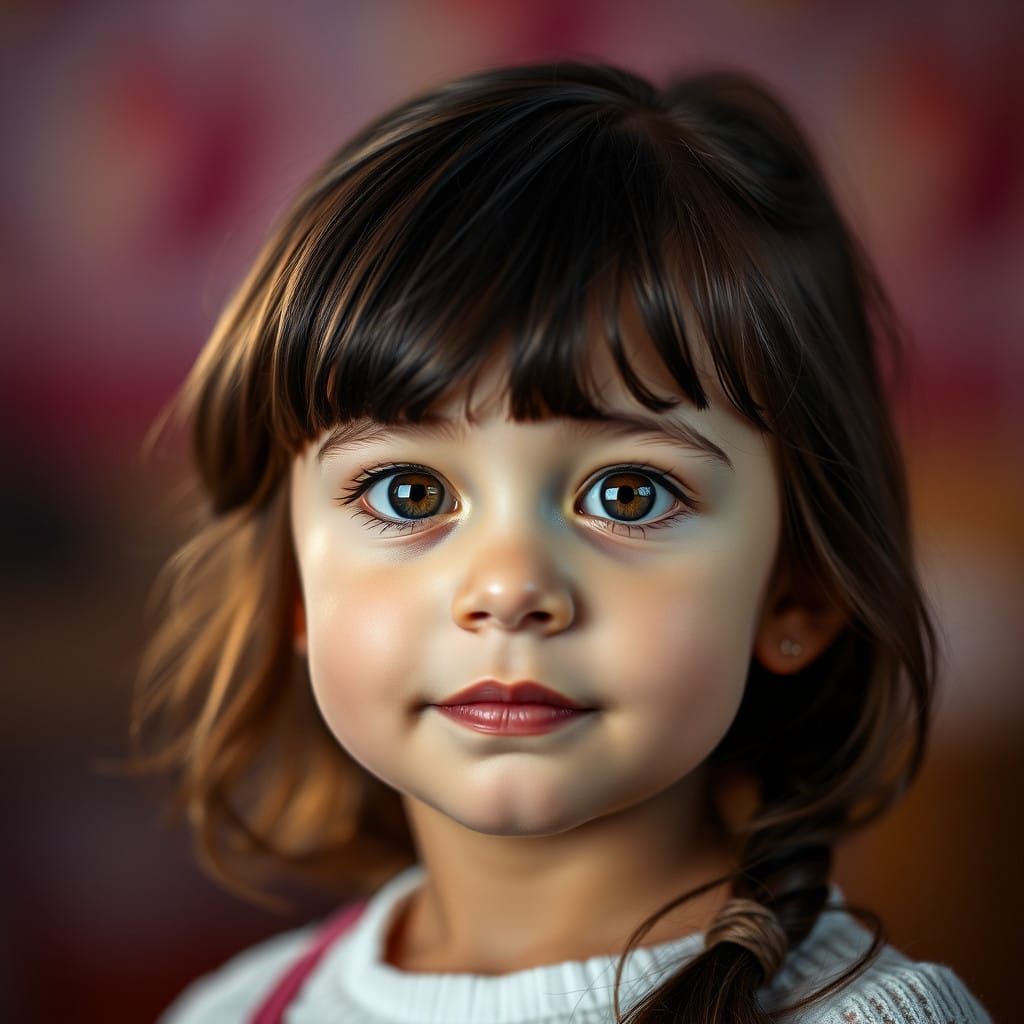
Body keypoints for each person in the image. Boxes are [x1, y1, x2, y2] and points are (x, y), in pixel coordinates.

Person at [133, 61, 992, 1023]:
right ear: (293, 582)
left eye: (627, 495)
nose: (508, 589)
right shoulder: (234, 1011)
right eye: (408, 492)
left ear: (798, 592)